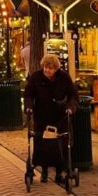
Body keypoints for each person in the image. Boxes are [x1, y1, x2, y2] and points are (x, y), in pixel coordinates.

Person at [24, 53, 79, 184]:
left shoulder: (64, 78)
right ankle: (44, 171)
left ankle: (59, 172)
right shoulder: (36, 77)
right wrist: (28, 107)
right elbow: (28, 95)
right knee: (42, 143)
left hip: (59, 116)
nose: (47, 71)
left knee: (60, 144)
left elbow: (73, 95)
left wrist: (71, 108)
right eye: (45, 68)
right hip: (41, 115)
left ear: (56, 68)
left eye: (50, 68)